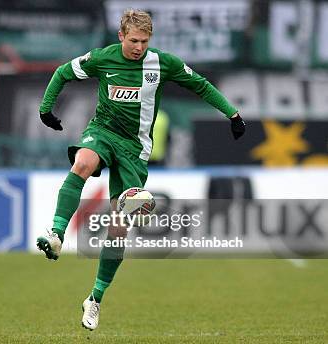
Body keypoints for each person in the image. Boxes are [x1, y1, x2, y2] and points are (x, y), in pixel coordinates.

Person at [35, 10, 245, 331]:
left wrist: (232, 114)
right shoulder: (103, 58)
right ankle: (57, 234)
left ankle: (95, 298)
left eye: (144, 41)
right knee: (84, 162)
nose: (138, 47)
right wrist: (45, 109)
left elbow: (200, 86)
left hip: (135, 151)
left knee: (118, 229)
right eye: (133, 40)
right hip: (103, 132)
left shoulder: (162, 63)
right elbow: (63, 72)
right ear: (121, 36)